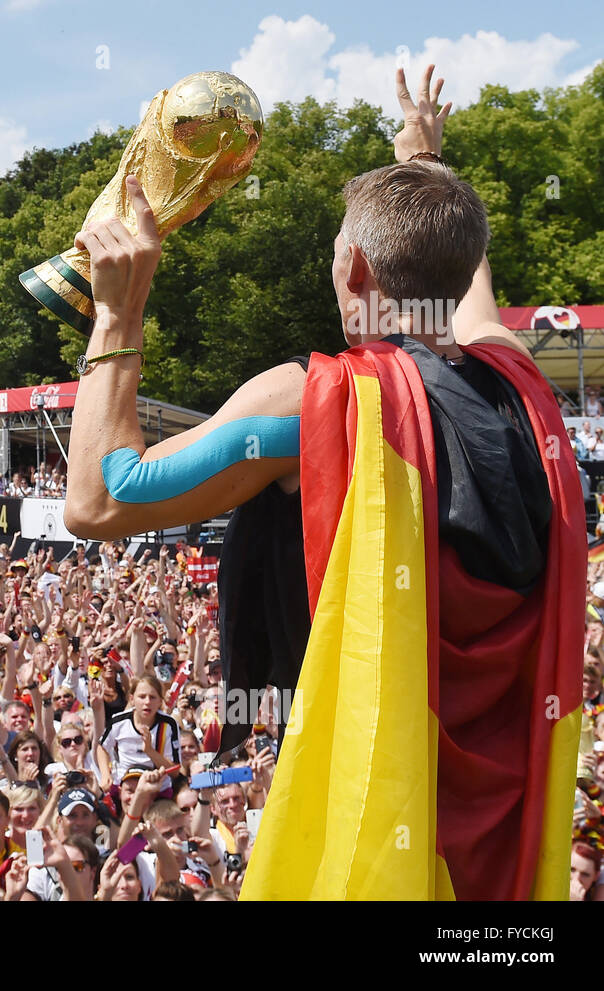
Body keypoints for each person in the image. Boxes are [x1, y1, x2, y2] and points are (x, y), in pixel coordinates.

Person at [62, 63, 583, 900]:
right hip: (504, 857)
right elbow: (470, 296)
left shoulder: (316, 406)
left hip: (377, 832)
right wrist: (426, 169)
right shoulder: (520, 379)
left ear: (357, 275)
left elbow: (97, 498)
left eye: (340, 251)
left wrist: (119, 314)